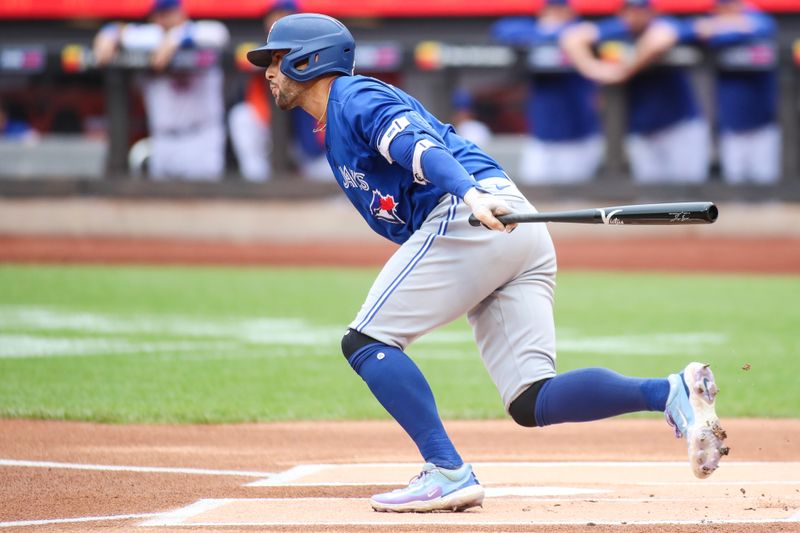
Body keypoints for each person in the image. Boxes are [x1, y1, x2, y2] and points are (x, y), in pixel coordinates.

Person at [246, 13, 728, 513]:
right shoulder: (340, 116)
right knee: (530, 399)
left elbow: (418, 147)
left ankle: (447, 471)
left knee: (366, 340)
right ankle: (668, 392)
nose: (269, 72)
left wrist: (468, 195)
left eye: (277, 60)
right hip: (503, 222)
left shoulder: (357, 98)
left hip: (470, 213)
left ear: (309, 59)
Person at [561, 0, 709, 183]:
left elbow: (659, 39)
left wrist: (626, 69)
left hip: (679, 126)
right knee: (651, 200)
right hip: (641, 128)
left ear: (651, 12)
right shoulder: (617, 30)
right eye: (630, 11)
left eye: (640, 11)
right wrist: (594, 69)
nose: (635, 16)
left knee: (689, 195)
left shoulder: (663, 25)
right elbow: (573, 37)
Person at [93, 0, 229, 181]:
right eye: (158, 15)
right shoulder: (151, 38)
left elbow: (220, 34)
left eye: (168, 13)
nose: (163, 19)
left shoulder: (203, 32)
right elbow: (115, 30)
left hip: (200, 139)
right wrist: (107, 36)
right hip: (162, 140)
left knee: (206, 204)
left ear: (181, 12)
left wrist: (176, 38)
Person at [491, 0, 603, 184]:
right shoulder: (536, 33)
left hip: (578, 138)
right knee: (534, 193)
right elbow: (501, 29)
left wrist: (560, 34)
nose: (555, 14)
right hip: (541, 138)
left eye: (560, 10)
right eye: (551, 10)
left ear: (570, 12)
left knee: (576, 200)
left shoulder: (583, 34)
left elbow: (592, 33)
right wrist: (550, 33)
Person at [228, 0, 333, 182]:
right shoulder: (257, 50)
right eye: (274, 15)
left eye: (286, 15)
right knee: (241, 116)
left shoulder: (319, 50)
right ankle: (257, 186)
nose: (279, 20)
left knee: (328, 176)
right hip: (269, 130)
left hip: (309, 135)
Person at [693, 0, 780, 184]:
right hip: (731, 126)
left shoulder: (759, 20)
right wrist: (735, 28)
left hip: (763, 124)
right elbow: (697, 31)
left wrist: (723, 27)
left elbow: (764, 26)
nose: (727, 10)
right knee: (734, 189)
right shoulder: (712, 24)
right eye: (722, 7)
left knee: (767, 189)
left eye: (731, 5)